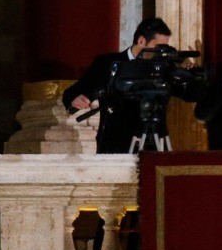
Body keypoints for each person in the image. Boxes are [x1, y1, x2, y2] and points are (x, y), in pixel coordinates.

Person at [63, 17, 176, 153]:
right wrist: (76, 99)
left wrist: (189, 72)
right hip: (116, 144)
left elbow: (189, 94)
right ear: (141, 41)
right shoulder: (108, 63)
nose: (161, 52)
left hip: (155, 143)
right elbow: (73, 92)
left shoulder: (165, 68)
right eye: (158, 47)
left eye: (165, 47)